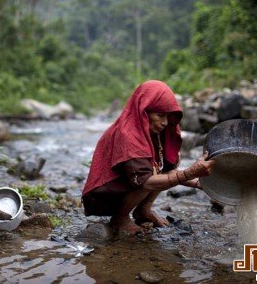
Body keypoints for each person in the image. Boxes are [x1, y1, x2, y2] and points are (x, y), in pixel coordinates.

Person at [82, 80, 216, 235]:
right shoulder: (129, 135)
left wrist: (200, 183)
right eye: (160, 115)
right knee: (148, 179)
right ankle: (120, 219)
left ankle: (143, 210)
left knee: (167, 162)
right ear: (143, 111)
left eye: (167, 116)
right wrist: (189, 173)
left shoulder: (155, 132)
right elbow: (145, 181)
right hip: (104, 196)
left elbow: (167, 171)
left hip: (132, 184)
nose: (165, 122)